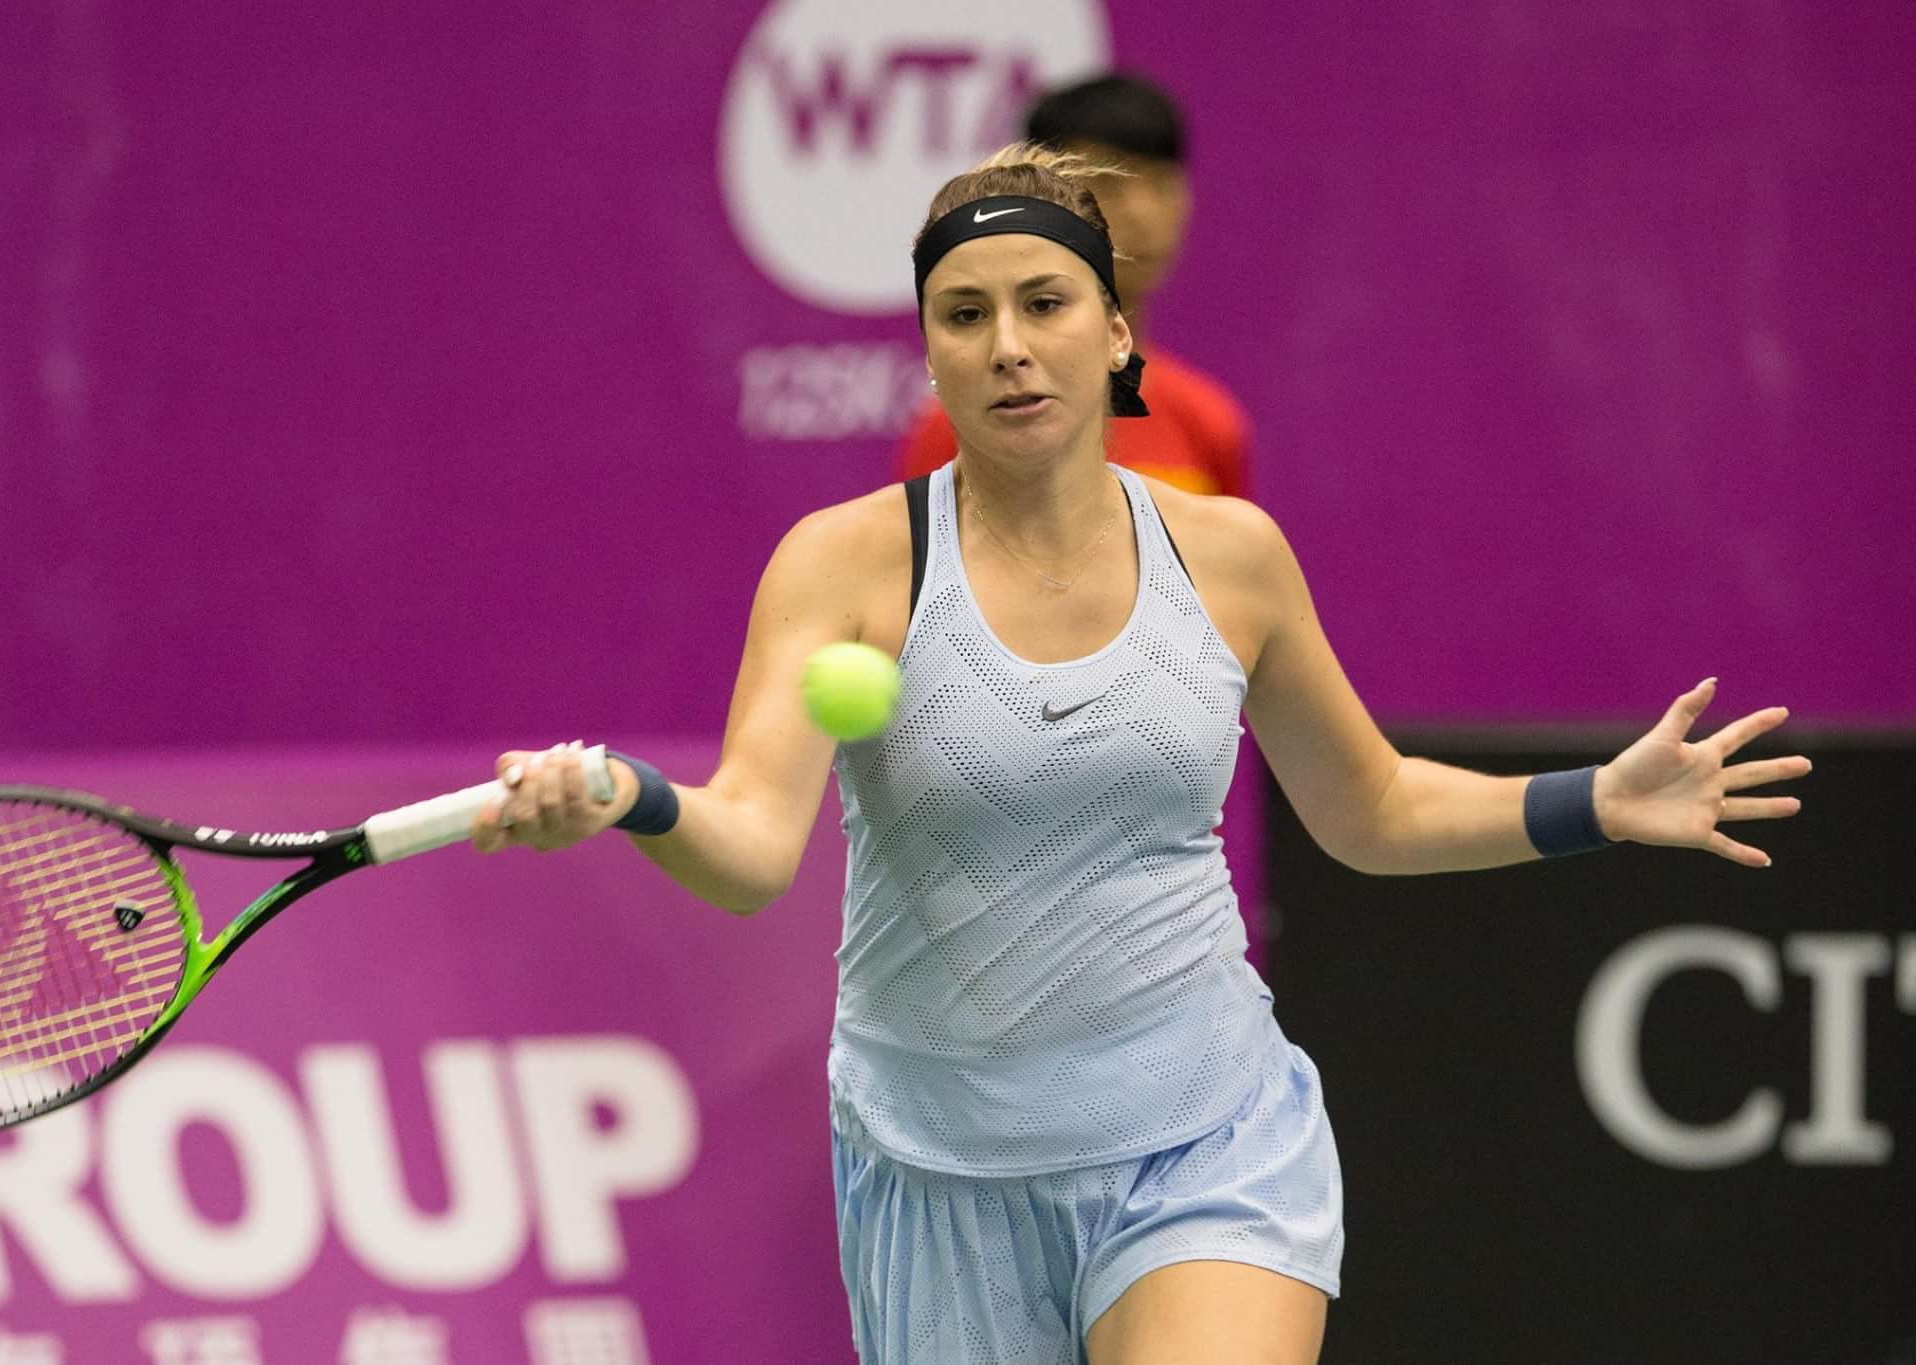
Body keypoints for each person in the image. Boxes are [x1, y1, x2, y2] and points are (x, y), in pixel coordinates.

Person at [473, 146, 1809, 1365]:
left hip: (1204, 1137)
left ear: (1115, 331)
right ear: (928, 352)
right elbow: (753, 848)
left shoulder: (1230, 558)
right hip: (940, 1173)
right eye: (964, 315)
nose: (1008, 347)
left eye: (1045, 303)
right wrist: (627, 797)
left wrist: (1594, 801)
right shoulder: (842, 565)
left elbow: (1370, 806)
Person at [897, 74, 1253, 500]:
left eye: (1161, 183)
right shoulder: (958, 426)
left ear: (1117, 335)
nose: (1141, 212)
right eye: (1109, 183)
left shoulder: (1208, 422)